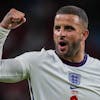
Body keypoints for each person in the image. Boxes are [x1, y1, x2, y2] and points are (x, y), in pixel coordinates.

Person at [0, 5, 100, 100]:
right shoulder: (36, 62)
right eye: (57, 28)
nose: (61, 34)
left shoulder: (97, 69)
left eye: (69, 28)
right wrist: (3, 29)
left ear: (84, 34)